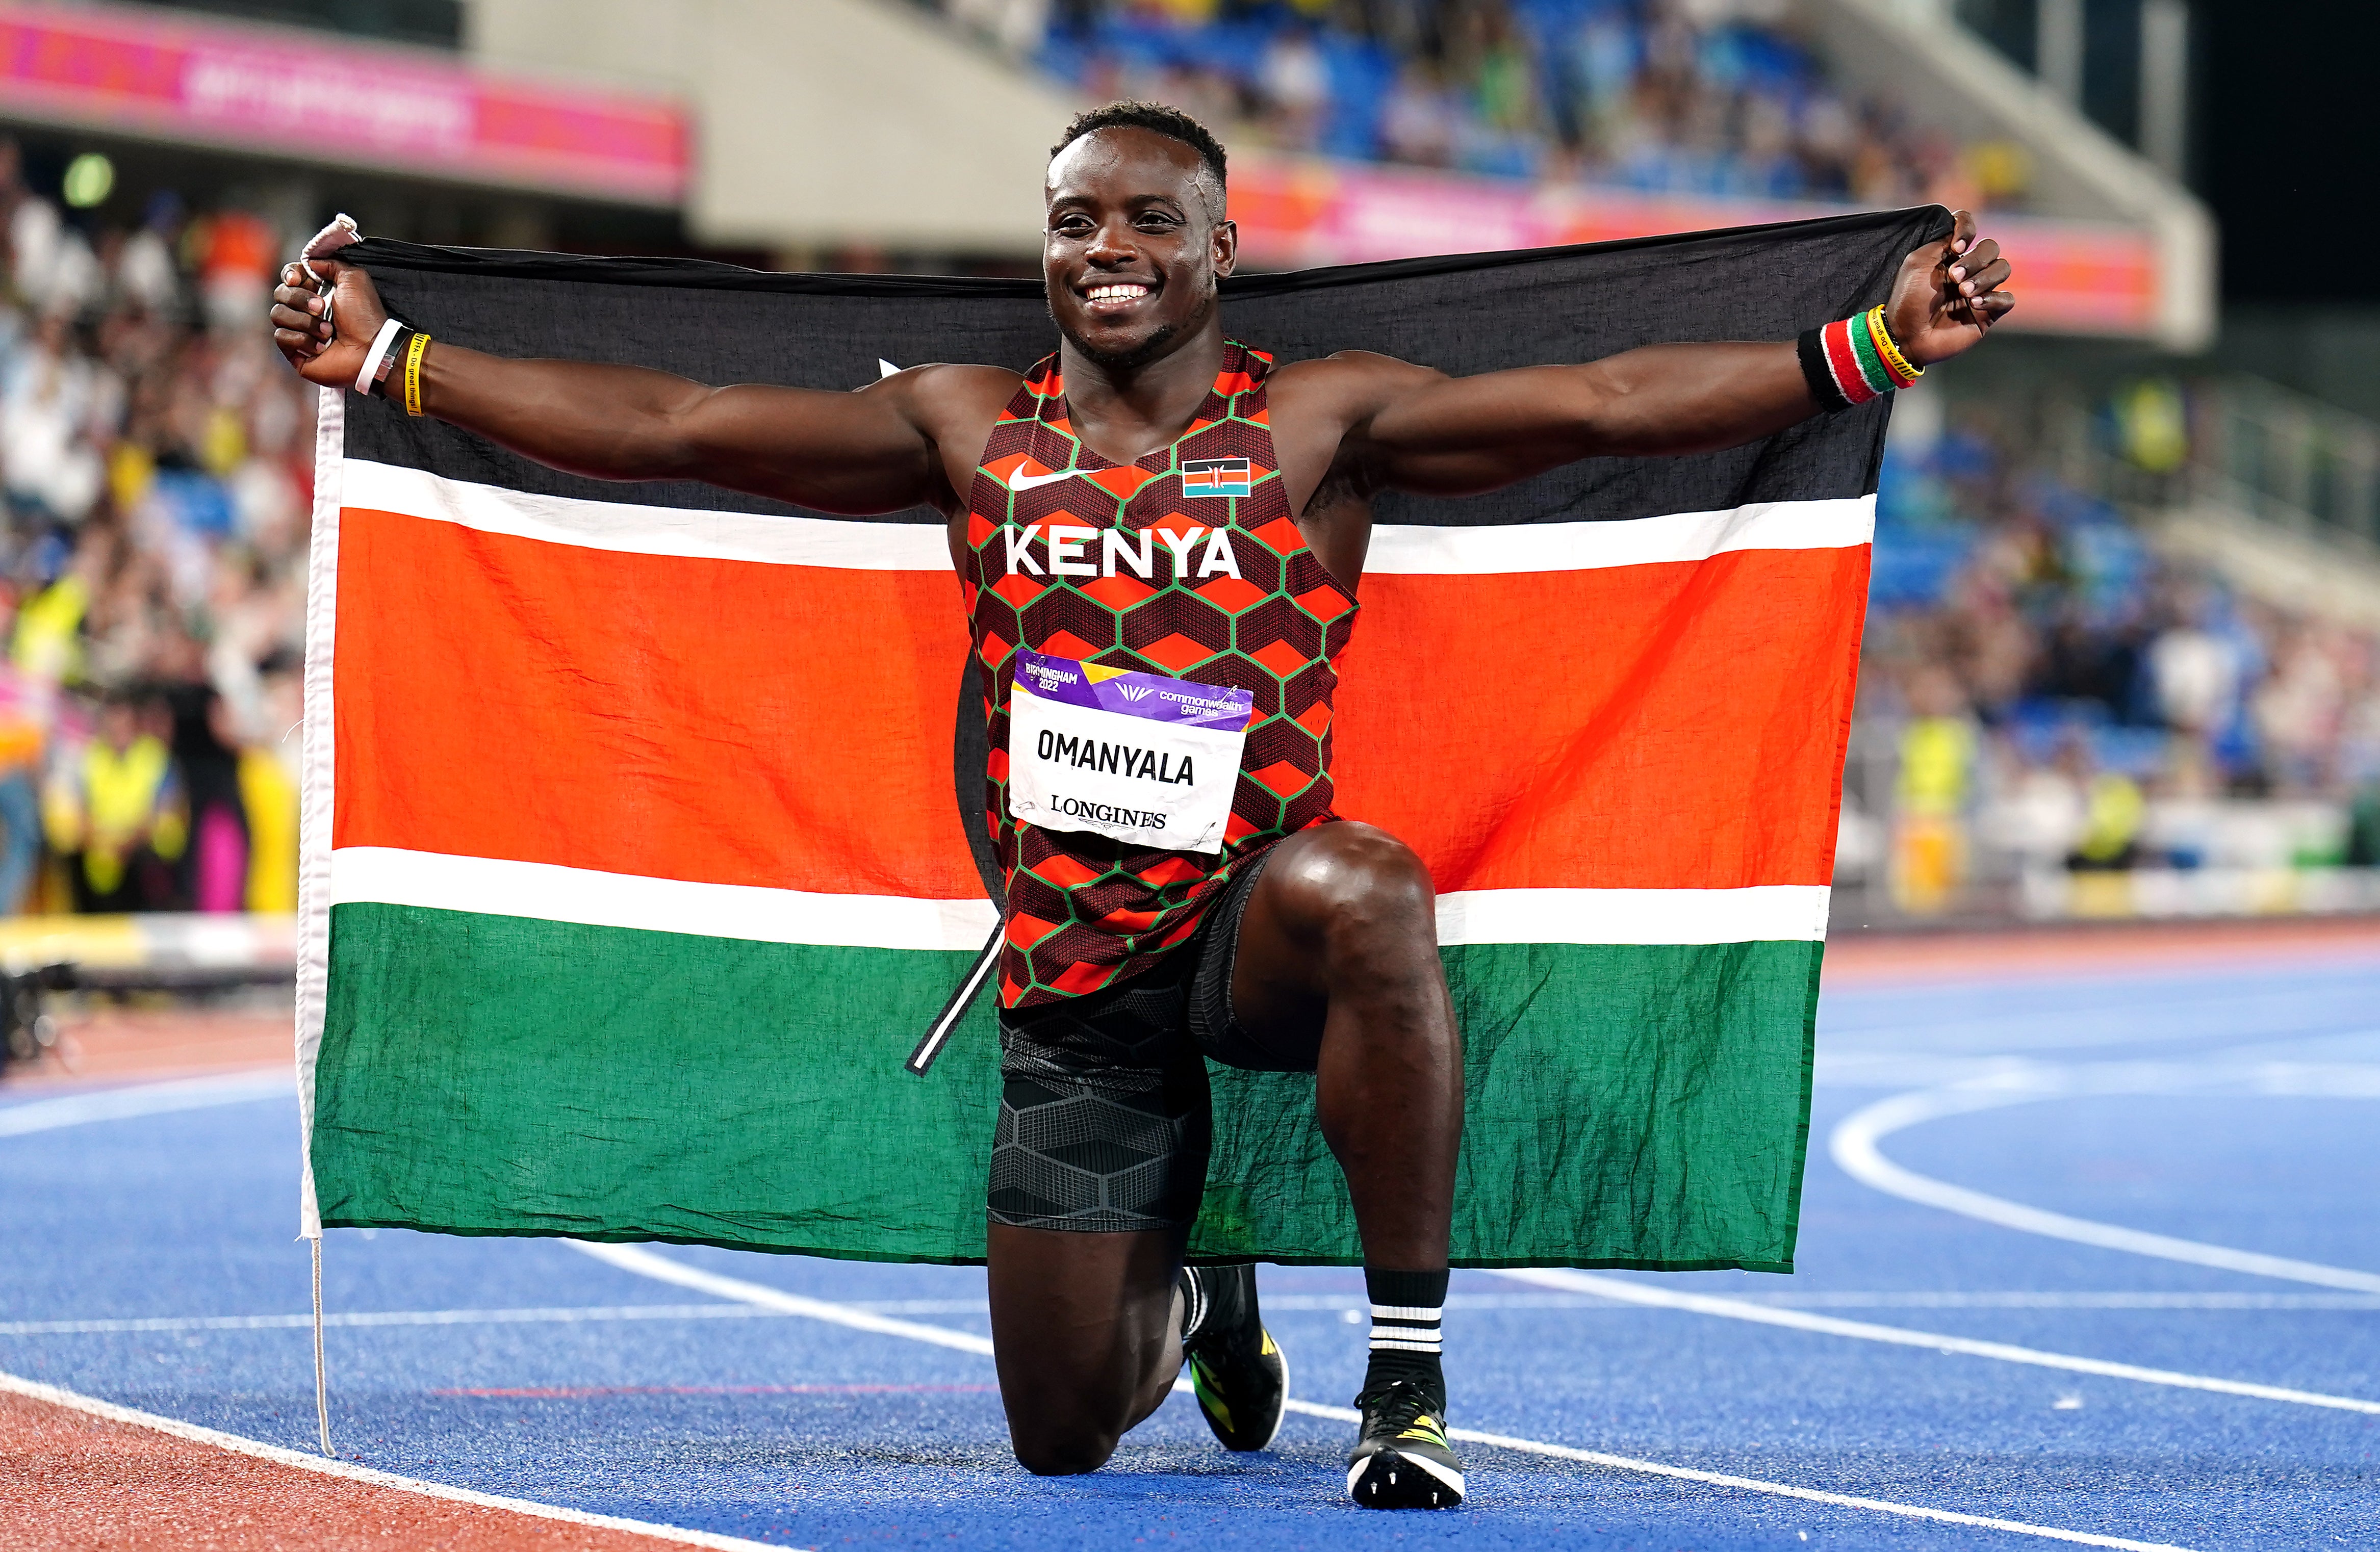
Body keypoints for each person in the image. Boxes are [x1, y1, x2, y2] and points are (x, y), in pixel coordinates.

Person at [271, 100, 2014, 1510]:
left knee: (1372, 889)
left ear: (1218, 250)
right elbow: (677, 423)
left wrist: (1867, 342)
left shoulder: (1312, 423)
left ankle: (1402, 1382)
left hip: (1247, 924)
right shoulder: (973, 423)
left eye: (1146, 221)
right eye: (1073, 222)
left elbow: (1606, 402)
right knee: (1061, 1434)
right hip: (1072, 979)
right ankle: (1197, 1290)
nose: (1104, 250)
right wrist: (390, 357)